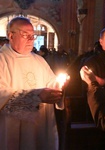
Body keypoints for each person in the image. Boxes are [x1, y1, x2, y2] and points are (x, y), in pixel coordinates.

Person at [0, 17, 67, 150]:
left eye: (33, 35)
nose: (31, 39)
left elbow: (50, 83)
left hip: (39, 125)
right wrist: (37, 96)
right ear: (11, 36)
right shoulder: (2, 60)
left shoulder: (39, 60)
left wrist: (59, 86)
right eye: (25, 34)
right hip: (12, 128)